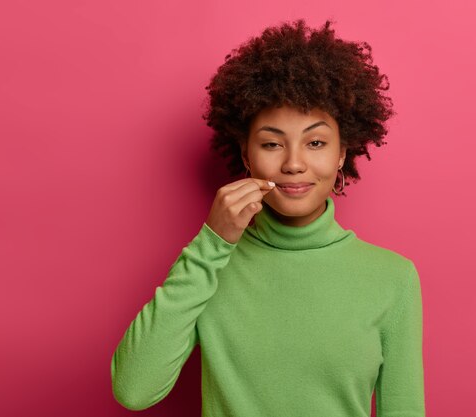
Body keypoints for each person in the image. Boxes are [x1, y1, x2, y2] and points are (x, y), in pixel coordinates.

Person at [110, 18, 425, 417]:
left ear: (342, 153)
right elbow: (133, 390)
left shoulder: (392, 278)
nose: (293, 164)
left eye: (315, 142)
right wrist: (212, 243)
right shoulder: (210, 265)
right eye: (272, 143)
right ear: (246, 155)